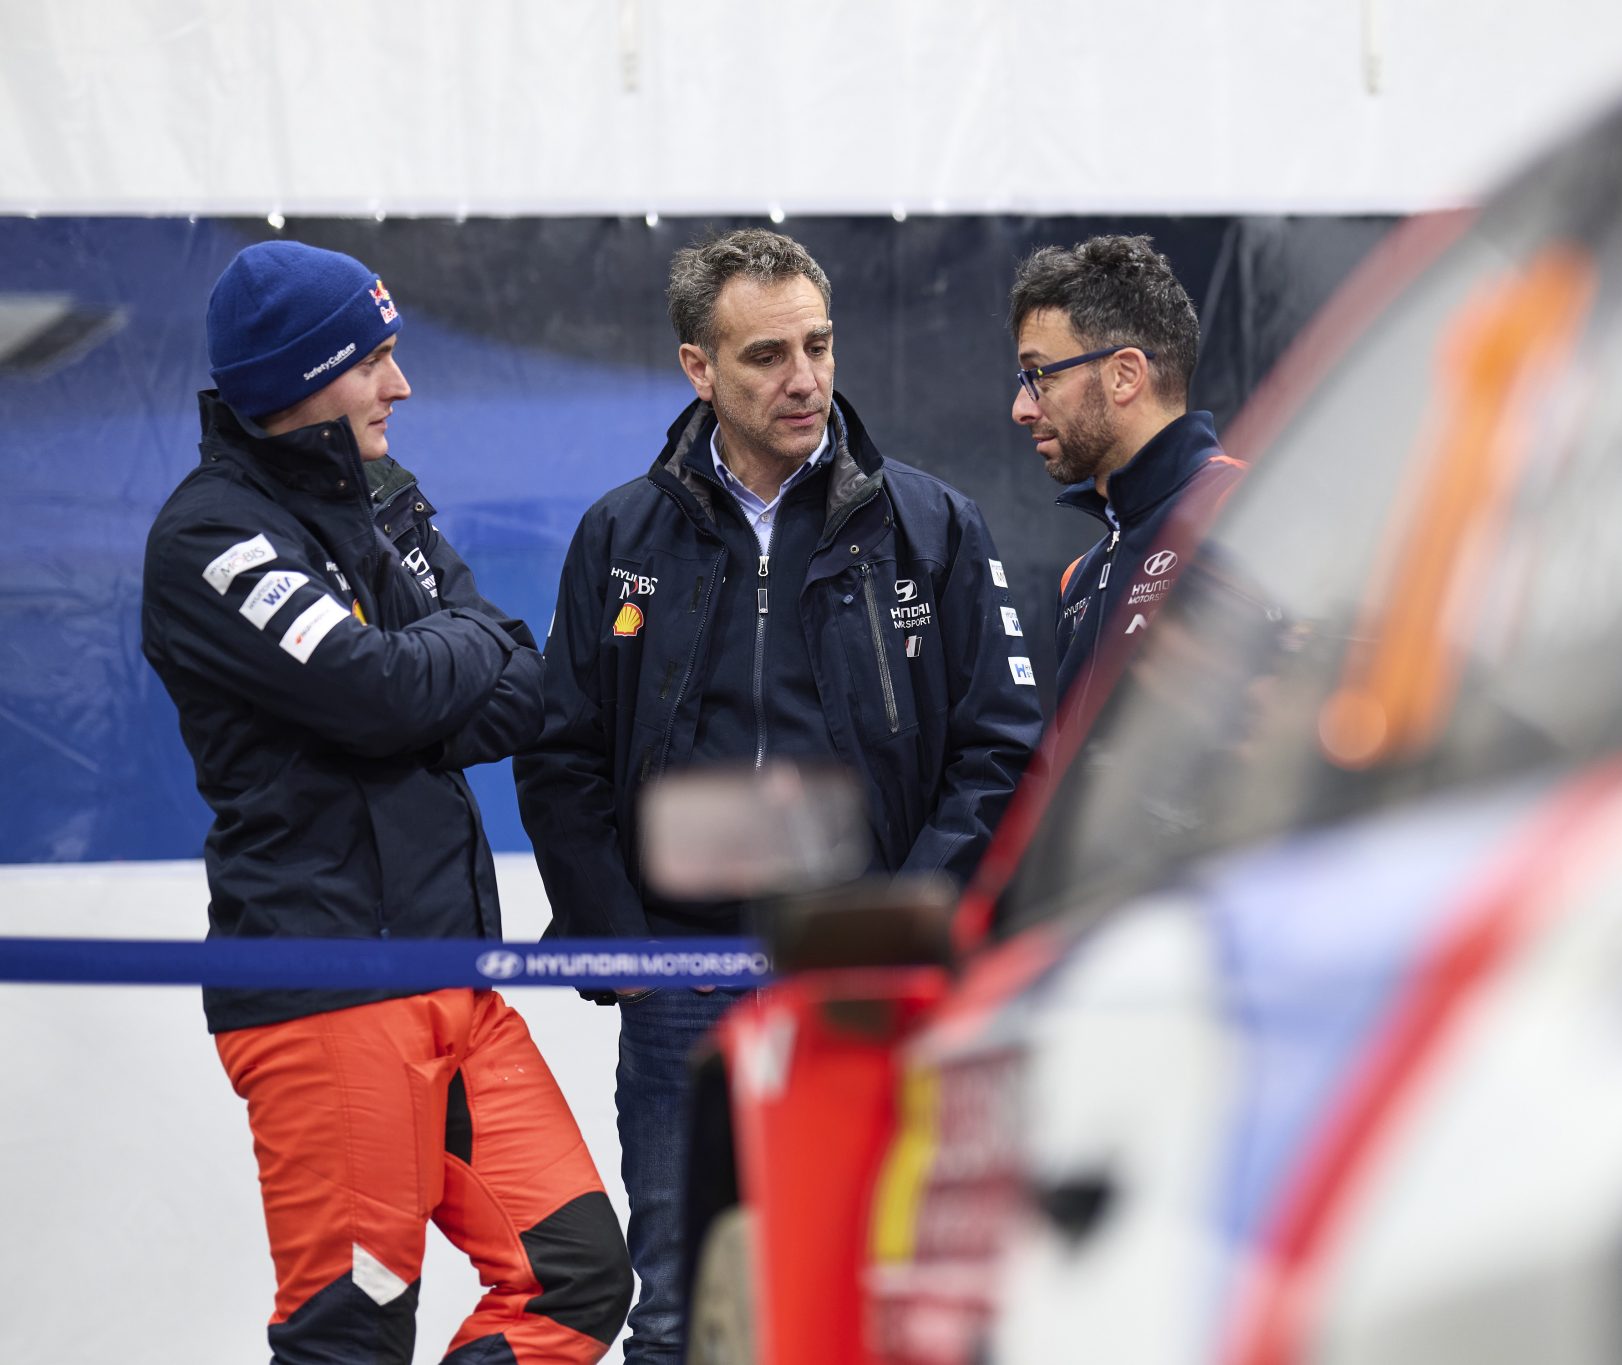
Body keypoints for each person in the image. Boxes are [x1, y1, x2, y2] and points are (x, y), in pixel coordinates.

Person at [514, 228, 1040, 1359]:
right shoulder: (619, 533)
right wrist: (625, 950)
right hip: (681, 987)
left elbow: (999, 749)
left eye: (818, 345)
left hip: (861, 988)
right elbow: (561, 756)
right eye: (766, 355)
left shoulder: (931, 526)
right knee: (676, 1309)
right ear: (698, 368)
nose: (804, 378)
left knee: (874, 1303)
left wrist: (896, 927)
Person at [141, 240, 631, 1364]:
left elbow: (518, 677)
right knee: (350, 1337)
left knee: (575, 1283)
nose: (400, 386)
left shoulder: (383, 494)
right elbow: (380, 692)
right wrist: (420, 682)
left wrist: (416, 685)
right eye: (373, 361)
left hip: (456, 977)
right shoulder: (208, 535)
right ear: (300, 376)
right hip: (328, 991)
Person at [1009, 234, 1245, 723]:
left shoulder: (1249, 508)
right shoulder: (1079, 577)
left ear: (1125, 375)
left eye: (1040, 376)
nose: (1021, 409)